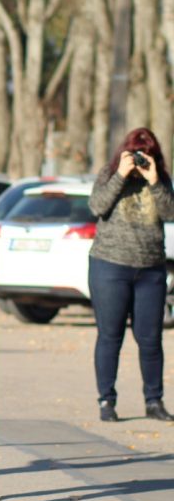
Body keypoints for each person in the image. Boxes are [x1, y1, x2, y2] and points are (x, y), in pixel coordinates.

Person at [88, 128, 174, 423]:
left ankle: (154, 401)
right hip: (110, 266)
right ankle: (106, 401)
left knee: (150, 339)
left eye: (147, 154)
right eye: (136, 154)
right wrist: (120, 175)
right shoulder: (109, 173)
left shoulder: (160, 178)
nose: (140, 160)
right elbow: (97, 206)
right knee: (110, 336)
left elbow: (170, 213)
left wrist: (154, 180)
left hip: (150, 270)